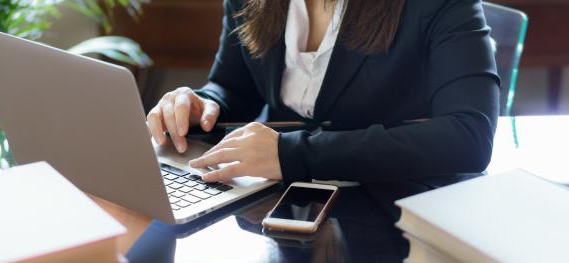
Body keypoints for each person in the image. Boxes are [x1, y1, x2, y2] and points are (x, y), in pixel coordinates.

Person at [146, 0, 499, 189]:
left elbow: (469, 136)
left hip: (387, 206)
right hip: (272, 197)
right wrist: (203, 106)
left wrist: (294, 153)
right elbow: (234, 88)